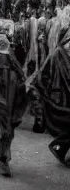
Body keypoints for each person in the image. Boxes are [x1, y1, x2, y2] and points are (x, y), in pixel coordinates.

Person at [0, 34, 29, 177]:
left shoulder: (11, 60)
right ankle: (2, 160)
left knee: (8, 131)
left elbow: (21, 79)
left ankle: (3, 157)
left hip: (12, 103)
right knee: (5, 131)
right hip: (2, 103)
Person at [31, 26, 70, 167]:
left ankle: (59, 148)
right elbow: (42, 76)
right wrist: (43, 93)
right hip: (59, 99)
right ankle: (59, 148)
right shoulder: (55, 55)